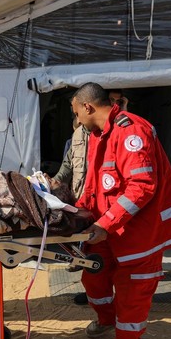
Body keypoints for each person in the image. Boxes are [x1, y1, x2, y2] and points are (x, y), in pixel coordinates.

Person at [71, 83, 171, 339]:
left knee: (132, 293)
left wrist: (104, 223)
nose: (77, 120)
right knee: (95, 277)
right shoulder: (100, 135)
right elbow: (95, 186)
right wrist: (75, 214)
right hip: (108, 228)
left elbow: (142, 187)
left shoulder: (131, 132)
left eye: (77, 113)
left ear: (87, 107)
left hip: (139, 234)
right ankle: (105, 319)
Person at [52, 91, 127, 288]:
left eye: (118, 102)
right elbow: (67, 165)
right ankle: (93, 288)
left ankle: (109, 290)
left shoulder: (115, 131)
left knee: (109, 252)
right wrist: (53, 184)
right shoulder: (77, 135)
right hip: (83, 199)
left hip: (106, 203)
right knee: (90, 248)